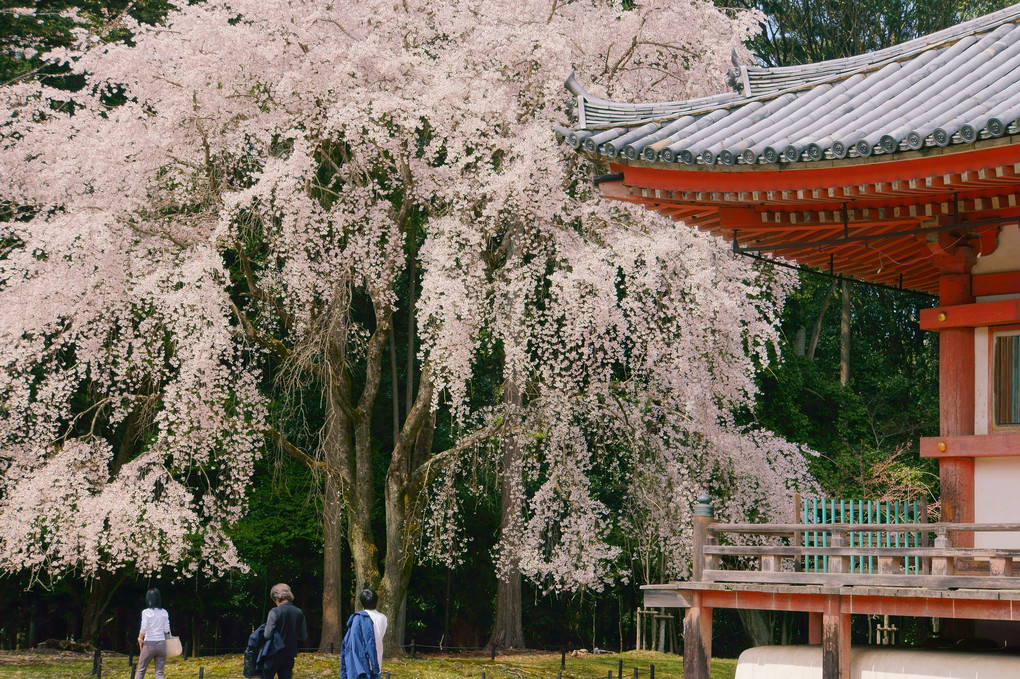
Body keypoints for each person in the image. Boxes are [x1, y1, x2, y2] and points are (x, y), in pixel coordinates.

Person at [261, 583, 308, 679]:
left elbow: (267, 635)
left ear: (276, 598)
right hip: (289, 655)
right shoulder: (299, 612)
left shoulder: (275, 611)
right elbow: (303, 636)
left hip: (273, 654)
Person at [341, 588, 387, 679]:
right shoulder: (383, 618)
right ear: (376, 601)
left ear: (362, 602)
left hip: (361, 665)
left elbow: (353, 642)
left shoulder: (357, 618)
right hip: (377, 662)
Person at [136, 588, 171, 679]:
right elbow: (167, 629)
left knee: (141, 670)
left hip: (149, 644)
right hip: (161, 644)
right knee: (159, 672)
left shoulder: (146, 612)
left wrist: (140, 638)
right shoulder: (164, 612)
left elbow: (143, 628)